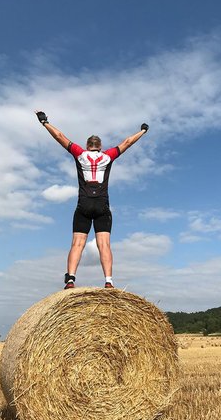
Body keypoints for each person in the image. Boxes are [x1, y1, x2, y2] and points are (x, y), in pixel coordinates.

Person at [35, 110, 149, 289]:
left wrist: (44, 122)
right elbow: (127, 142)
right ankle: (109, 281)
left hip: (84, 204)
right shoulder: (108, 156)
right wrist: (143, 131)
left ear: (88, 146)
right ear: (100, 146)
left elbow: (59, 136)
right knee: (104, 244)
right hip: (102, 204)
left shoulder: (80, 154)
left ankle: (71, 279)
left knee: (77, 243)